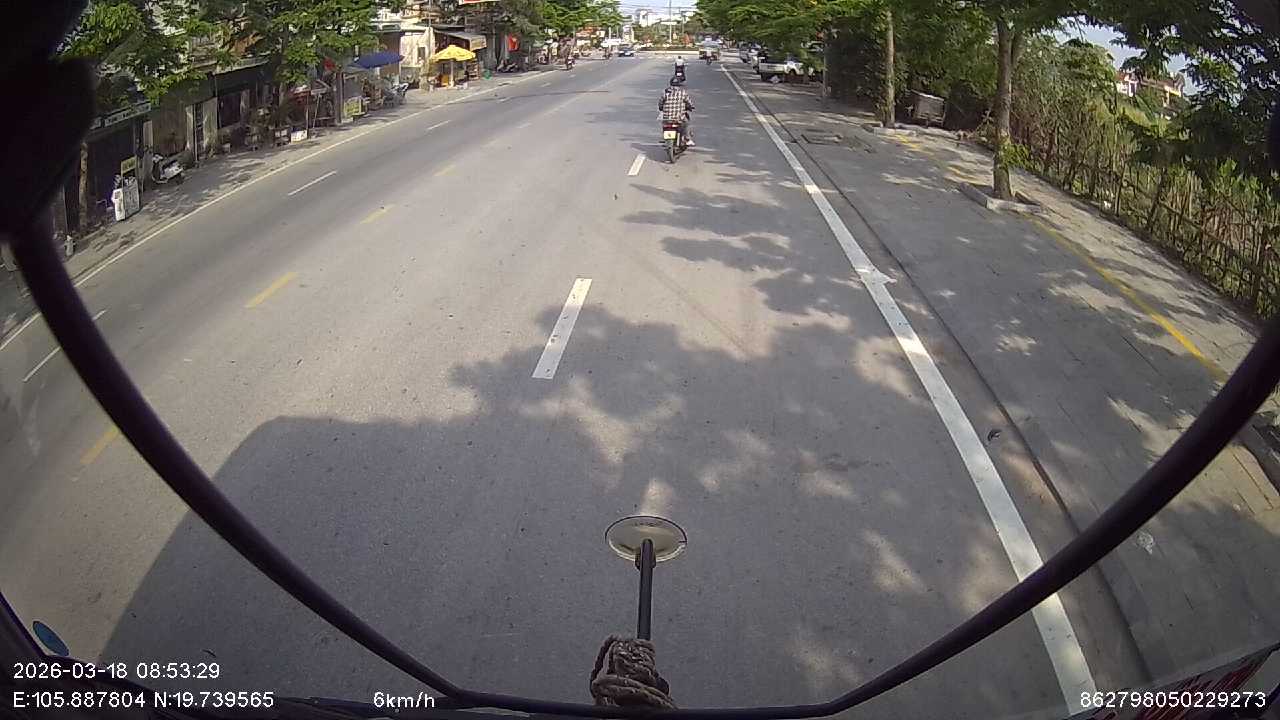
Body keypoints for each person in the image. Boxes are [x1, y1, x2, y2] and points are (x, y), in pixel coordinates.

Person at [658, 77, 695, 147]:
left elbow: (660, 102)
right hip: (679, 118)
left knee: (664, 123)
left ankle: (665, 137)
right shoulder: (682, 93)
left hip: (667, 118)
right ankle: (687, 139)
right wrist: (691, 107)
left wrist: (661, 107)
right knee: (686, 123)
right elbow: (689, 102)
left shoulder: (665, 92)